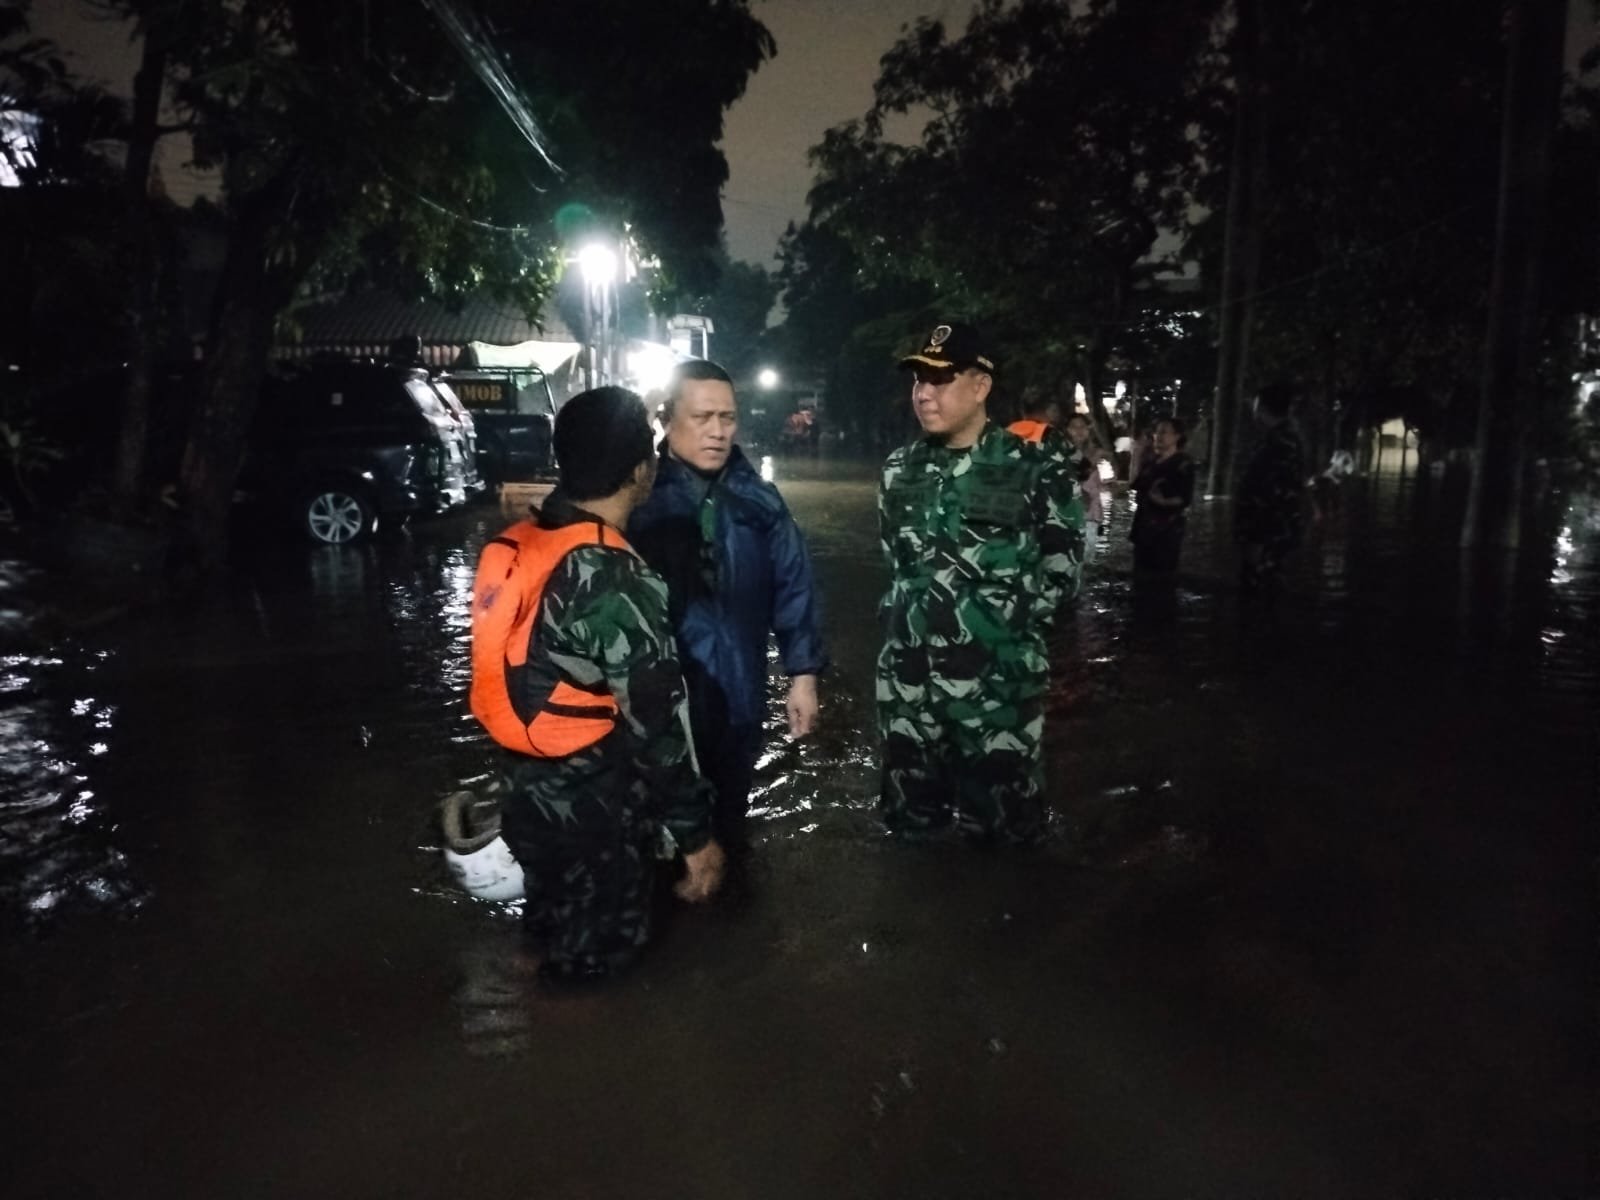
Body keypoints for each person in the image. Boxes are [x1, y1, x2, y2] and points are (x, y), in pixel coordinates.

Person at [469, 386, 724, 983]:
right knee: (594, 970)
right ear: (642, 470)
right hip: (594, 816)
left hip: (523, 799)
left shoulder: (514, 544)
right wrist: (696, 840)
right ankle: (569, 1059)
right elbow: (657, 728)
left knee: (542, 937)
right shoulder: (612, 576)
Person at [877, 321, 1084, 845]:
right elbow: (897, 566)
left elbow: (1062, 574)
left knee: (1003, 840)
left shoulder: (1035, 466)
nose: (923, 392)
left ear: (980, 386)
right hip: (910, 696)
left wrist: (997, 633)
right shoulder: (899, 470)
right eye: (918, 379)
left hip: (996, 699)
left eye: (940, 379)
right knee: (911, 838)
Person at [628, 360, 827, 850]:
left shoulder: (761, 501)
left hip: (741, 693)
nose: (718, 432)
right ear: (667, 417)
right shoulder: (637, 503)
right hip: (661, 701)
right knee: (657, 823)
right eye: (702, 417)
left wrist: (803, 678)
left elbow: (794, 586)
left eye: (728, 417)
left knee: (732, 817)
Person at [1236, 382, 1309, 594]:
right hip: (1278, 523)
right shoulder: (1289, 437)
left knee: (1261, 580)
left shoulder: (1276, 441)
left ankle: (1260, 620)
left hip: (1267, 525)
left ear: (1262, 407)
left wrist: (1253, 533)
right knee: (1271, 575)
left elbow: (1264, 488)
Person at [1129, 417, 1196, 573]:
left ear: (1177, 436)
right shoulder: (1151, 461)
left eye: (1164, 432)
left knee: (1162, 575)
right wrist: (1137, 454)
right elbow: (1134, 484)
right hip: (1143, 526)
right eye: (1156, 432)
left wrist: (1162, 501)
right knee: (1140, 572)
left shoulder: (1183, 463)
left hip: (1166, 529)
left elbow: (1185, 498)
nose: (1158, 436)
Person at [1063, 412, 1108, 563]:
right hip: (1066, 513)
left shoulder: (1098, 453)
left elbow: (1102, 485)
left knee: (1086, 559)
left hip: (1090, 514)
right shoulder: (1060, 453)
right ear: (1066, 430)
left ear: (1089, 430)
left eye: (1083, 427)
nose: (1079, 431)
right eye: (1074, 427)